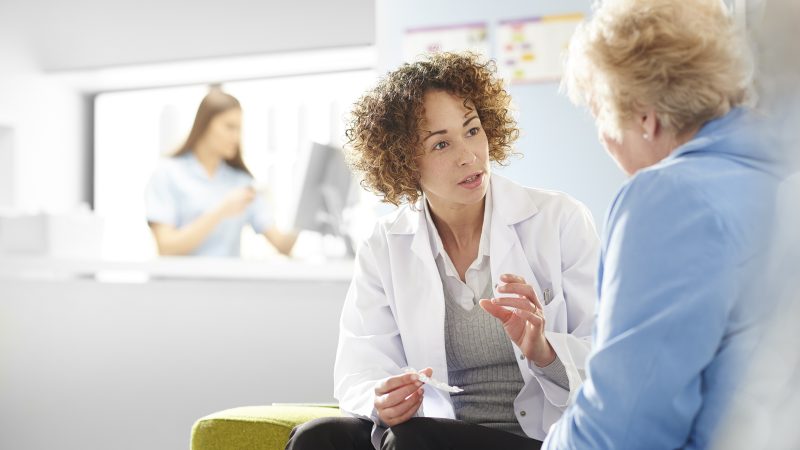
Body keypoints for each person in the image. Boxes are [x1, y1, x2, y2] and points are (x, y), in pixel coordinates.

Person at [285, 52, 600, 450]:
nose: (468, 155)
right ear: (402, 162)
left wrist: (543, 348)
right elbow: (360, 368)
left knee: (410, 440)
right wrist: (382, 399)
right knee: (319, 438)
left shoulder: (559, 220)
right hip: (430, 432)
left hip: (540, 438)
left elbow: (607, 359)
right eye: (440, 145)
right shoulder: (385, 244)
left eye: (472, 130)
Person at [542, 0, 785, 448]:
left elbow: (621, 431)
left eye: (599, 113)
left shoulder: (670, 197)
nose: (602, 137)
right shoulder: (774, 171)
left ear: (644, 117)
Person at [144, 89, 296, 257]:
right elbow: (166, 247)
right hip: (181, 283)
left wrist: (306, 208)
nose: (236, 137)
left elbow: (282, 245)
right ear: (204, 125)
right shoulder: (168, 173)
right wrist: (222, 210)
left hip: (227, 282)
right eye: (229, 127)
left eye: (239, 129)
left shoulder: (241, 182)